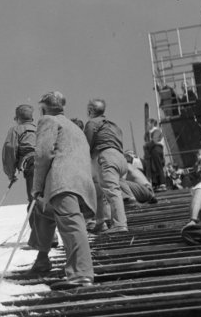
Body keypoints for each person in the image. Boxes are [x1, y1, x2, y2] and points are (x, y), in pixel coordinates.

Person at [29, 91, 97, 289]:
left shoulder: (47, 121)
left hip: (62, 181)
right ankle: (42, 259)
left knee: (71, 225)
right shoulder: (75, 128)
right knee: (42, 212)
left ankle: (81, 275)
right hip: (81, 183)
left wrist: (37, 187)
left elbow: (42, 154)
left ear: (43, 108)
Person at [84, 98, 128, 233]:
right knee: (97, 190)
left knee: (112, 191)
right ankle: (100, 222)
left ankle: (120, 224)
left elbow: (87, 144)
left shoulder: (92, 122)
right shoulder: (113, 125)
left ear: (90, 110)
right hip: (120, 159)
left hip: (106, 157)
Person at [1, 104, 37, 199]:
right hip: (46, 163)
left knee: (34, 200)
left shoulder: (16, 129)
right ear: (32, 119)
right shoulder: (39, 130)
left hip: (31, 163)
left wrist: (11, 173)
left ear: (18, 119)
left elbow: (10, 149)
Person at [145, 118, 167, 191]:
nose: (147, 125)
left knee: (158, 166)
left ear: (152, 124)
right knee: (154, 167)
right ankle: (157, 184)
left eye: (148, 124)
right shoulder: (152, 132)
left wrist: (147, 145)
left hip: (156, 149)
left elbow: (154, 140)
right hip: (154, 149)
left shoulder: (156, 131)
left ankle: (162, 183)